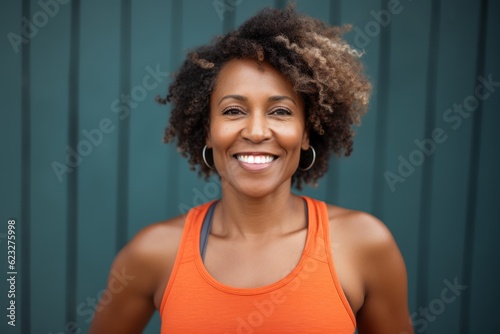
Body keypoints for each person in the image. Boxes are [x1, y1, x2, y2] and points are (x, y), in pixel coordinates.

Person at [90, 5, 412, 333]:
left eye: (281, 112)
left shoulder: (364, 245)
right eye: (233, 110)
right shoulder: (154, 253)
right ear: (208, 131)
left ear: (305, 133)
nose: (256, 131)